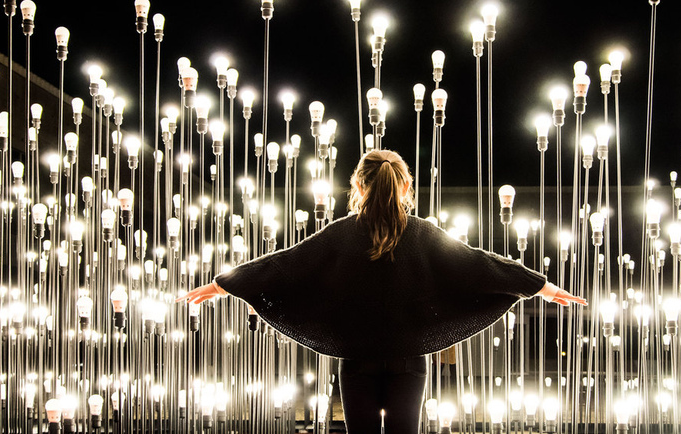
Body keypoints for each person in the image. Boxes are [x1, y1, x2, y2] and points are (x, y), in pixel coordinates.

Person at [178, 149, 586, 432]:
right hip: (409, 360)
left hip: (357, 361)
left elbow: (284, 266)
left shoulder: (340, 234)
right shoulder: (424, 234)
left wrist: (223, 285)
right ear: (405, 187)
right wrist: (541, 286)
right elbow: (480, 264)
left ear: (359, 185)